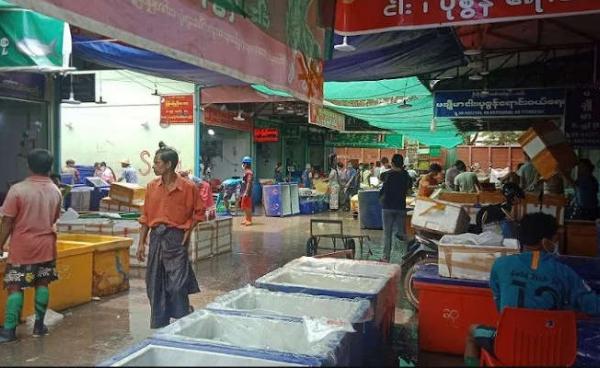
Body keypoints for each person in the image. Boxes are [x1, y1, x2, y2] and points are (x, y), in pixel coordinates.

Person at [463, 213, 600, 366]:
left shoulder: (500, 265)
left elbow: (500, 307)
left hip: (508, 346)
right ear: (547, 241)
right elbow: (594, 306)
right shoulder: (565, 273)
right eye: (555, 237)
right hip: (553, 350)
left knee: (472, 332)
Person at [136, 143, 202, 329]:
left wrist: (189, 230)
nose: (154, 166)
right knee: (154, 283)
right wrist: (141, 243)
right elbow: (146, 217)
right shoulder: (151, 187)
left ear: (169, 165)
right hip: (157, 238)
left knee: (177, 284)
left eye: (157, 163)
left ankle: (183, 315)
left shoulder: (189, 188)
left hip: (176, 239)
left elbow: (198, 213)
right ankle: (160, 322)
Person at [0, 149, 62, 343]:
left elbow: (7, 222)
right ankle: (39, 326)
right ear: (50, 167)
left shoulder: (18, 190)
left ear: (28, 166)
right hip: (46, 246)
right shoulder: (56, 190)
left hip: (22, 248)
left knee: (15, 286)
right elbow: (53, 218)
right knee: (42, 283)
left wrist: (0, 244)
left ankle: (9, 331)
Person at [379, 154, 412, 262]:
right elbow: (409, 190)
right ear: (402, 164)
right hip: (400, 207)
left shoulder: (387, 174)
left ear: (392, 163)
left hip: (387, 207)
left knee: (387, 234)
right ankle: (405, 257)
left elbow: (382, 180)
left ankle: (385, 257)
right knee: (401, 234)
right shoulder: (406, 175)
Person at [240, 156, 254, 226]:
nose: (242, 165)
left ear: (245, 164)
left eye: (243, 163)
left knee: (247, 206)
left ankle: (249, 220)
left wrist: (246, 192)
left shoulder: (249, 172)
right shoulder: (246, 172)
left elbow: (248, 182)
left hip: (247, 192)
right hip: (244, 191)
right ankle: (246, 219)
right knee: (245, 206)